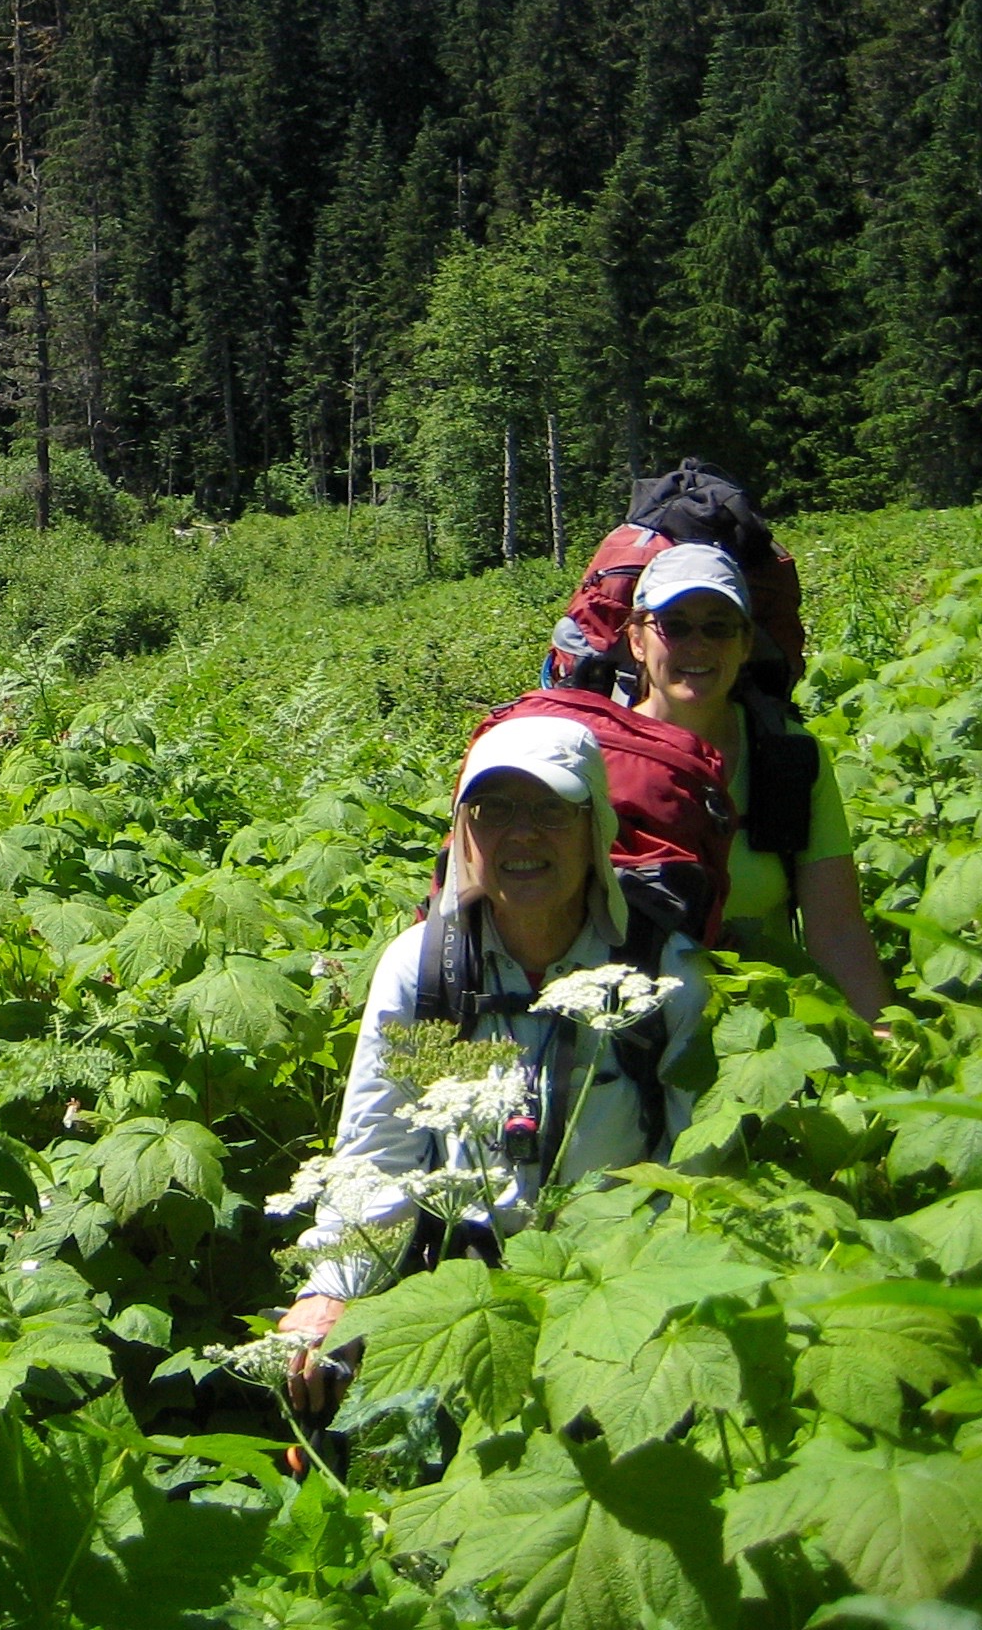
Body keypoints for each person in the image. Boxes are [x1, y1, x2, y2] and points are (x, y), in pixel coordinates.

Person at [273, 713, 707, 1415]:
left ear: (595, 829)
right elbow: (380, 1150)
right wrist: (332, 1288)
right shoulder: (426, 969)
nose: (522, 833)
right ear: (464, 834)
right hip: (464, 1291)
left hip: (619, 1293)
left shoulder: (663, 976)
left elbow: (694, 1176)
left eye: (549, 810)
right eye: (493, 810)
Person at [625, 543, 893, 1021]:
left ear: (746, 643)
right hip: (632, 1037)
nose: (698, 644)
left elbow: (836, 930)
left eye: (718, 626)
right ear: (637, 640)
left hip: (765, 1031)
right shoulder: (594, 756)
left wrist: (879, 1039)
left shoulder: (788, 756)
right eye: (675, 625)